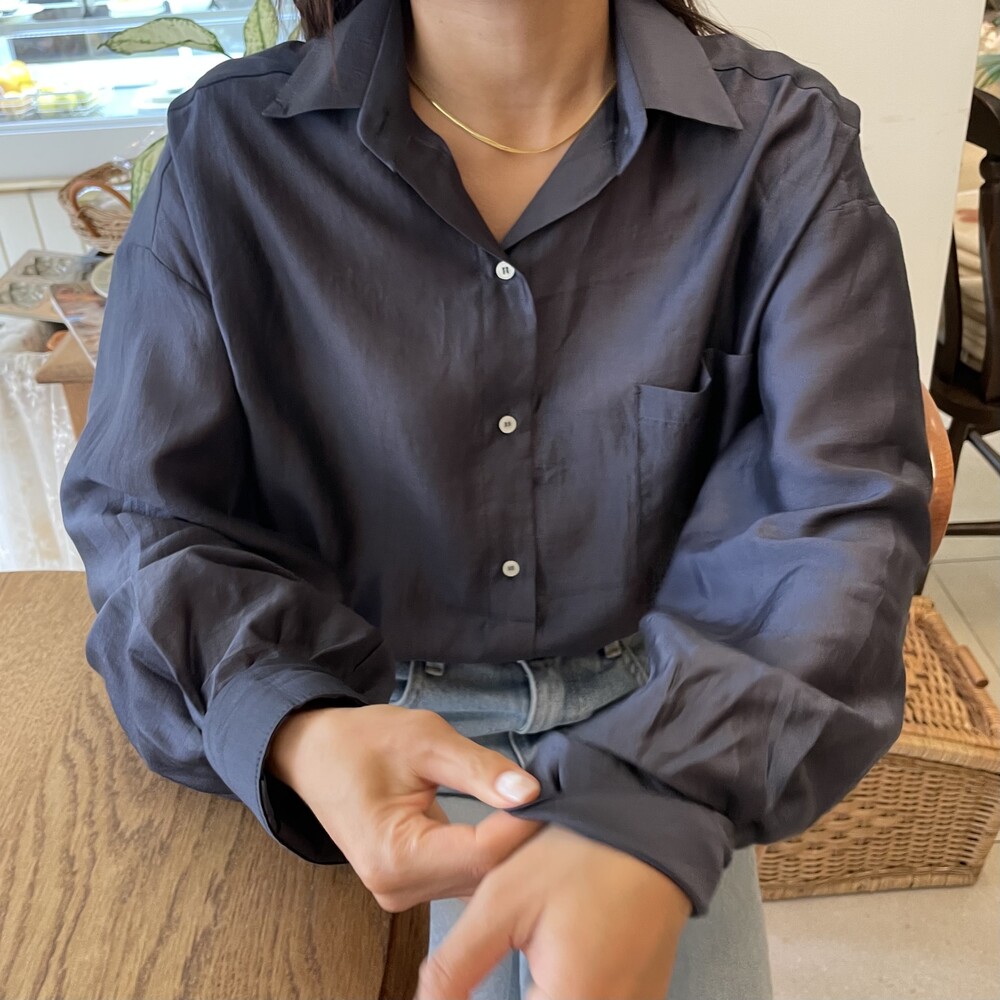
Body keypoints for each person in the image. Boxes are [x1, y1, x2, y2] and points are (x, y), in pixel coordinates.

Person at [59, 0, 933, 995]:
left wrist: (653, 804)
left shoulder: (785, 143)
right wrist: (294, 724)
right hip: (353, 720)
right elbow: (145, 519)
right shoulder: (227, 151)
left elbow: (841, 520)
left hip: (666, 718)